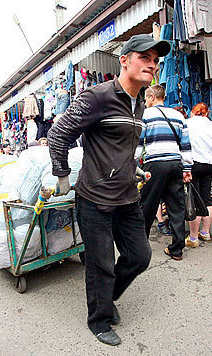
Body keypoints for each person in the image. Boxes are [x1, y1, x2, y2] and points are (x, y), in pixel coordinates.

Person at [47, 34, 170, 346]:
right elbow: (58, 134)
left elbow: (119, 145)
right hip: (95, 198)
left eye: (155, 60)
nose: (152, 65)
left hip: (128, 195)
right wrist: (62, 174)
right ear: (124, 60)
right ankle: (99, 319)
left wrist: (133, 166)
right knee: (100, 263)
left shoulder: (140, 102)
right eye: (144, 57)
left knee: (140, 256)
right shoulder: (97, 96)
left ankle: (106, 297)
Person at [136, 84, 193, 260]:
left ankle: (140, 248)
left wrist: (133, 163)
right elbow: (185, 143)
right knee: (176, 207)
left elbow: (138, 143)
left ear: (152, 96)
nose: (145, 102)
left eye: (146, 98)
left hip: (155, 164)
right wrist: (187, 167)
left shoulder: (145, 114)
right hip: (175, 163)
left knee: (147, 204)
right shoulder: (178, 116)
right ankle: (176, 249)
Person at [185, 103, 212, 247]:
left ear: (192, 113)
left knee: (193, 200)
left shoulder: (187, 124)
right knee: (206, 198)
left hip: (192, 164)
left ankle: (193, 237)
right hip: (208, 164)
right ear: (206, 113)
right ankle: (205, 232)